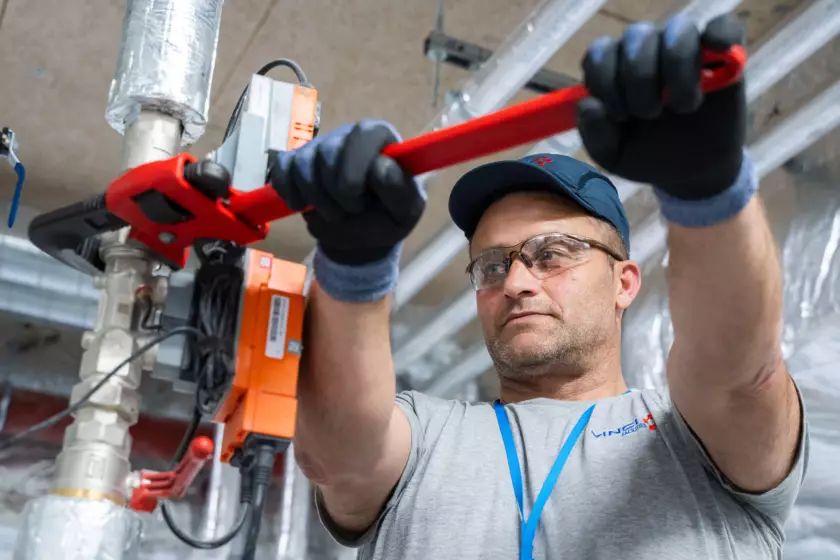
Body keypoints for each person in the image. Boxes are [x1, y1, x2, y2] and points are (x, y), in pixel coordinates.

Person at [271, 13, 807, 560]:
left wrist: (707, 192)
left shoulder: (689, 435)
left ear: (623, 282)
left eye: (551, 254)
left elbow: (739, 381)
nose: (516, 282)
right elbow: (339, 455)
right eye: (492, 266)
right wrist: (353, 270)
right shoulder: (426, 436)